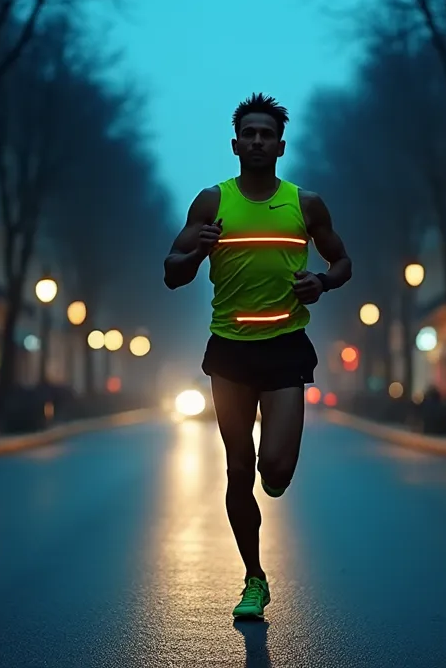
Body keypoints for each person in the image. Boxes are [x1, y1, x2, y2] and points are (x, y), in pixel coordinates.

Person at [163, 93, 352, 620]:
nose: (257, 141)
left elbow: (343, 261)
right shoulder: (211, 202)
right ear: (234, 144)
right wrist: (199, 249)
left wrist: (321, 281)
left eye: (266, 134)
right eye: (249, 133)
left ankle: (277, 472)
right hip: (229, 352)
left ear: (281, 145)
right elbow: (171, 271)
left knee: (275, 468)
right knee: (238, 468)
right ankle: (253, 578)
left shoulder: (305, 203)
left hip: (286, 346)